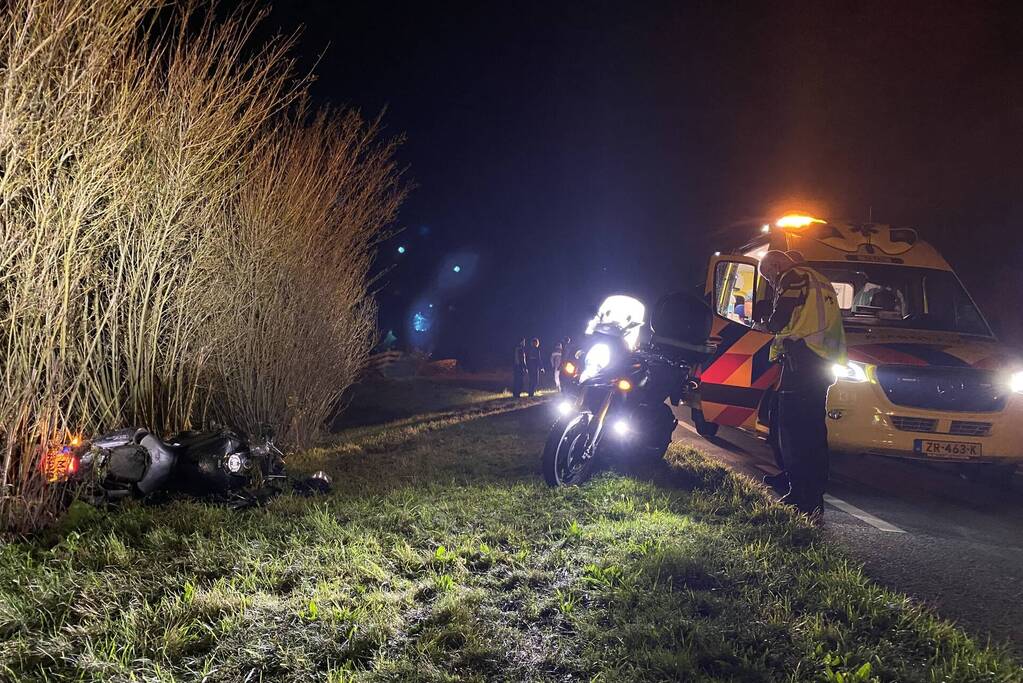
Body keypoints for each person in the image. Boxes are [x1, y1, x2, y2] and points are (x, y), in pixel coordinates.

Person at [758, 250, 847, 523]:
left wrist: (767, 322)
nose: (772, 282)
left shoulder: (793, 276)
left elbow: (782, 316)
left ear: (776, 266)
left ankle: (799, 497)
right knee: (814, 432)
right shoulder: (822, 280)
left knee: (793, 431)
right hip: (823, 363)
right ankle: (814, 496)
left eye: (769, 277)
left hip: (801, 359)